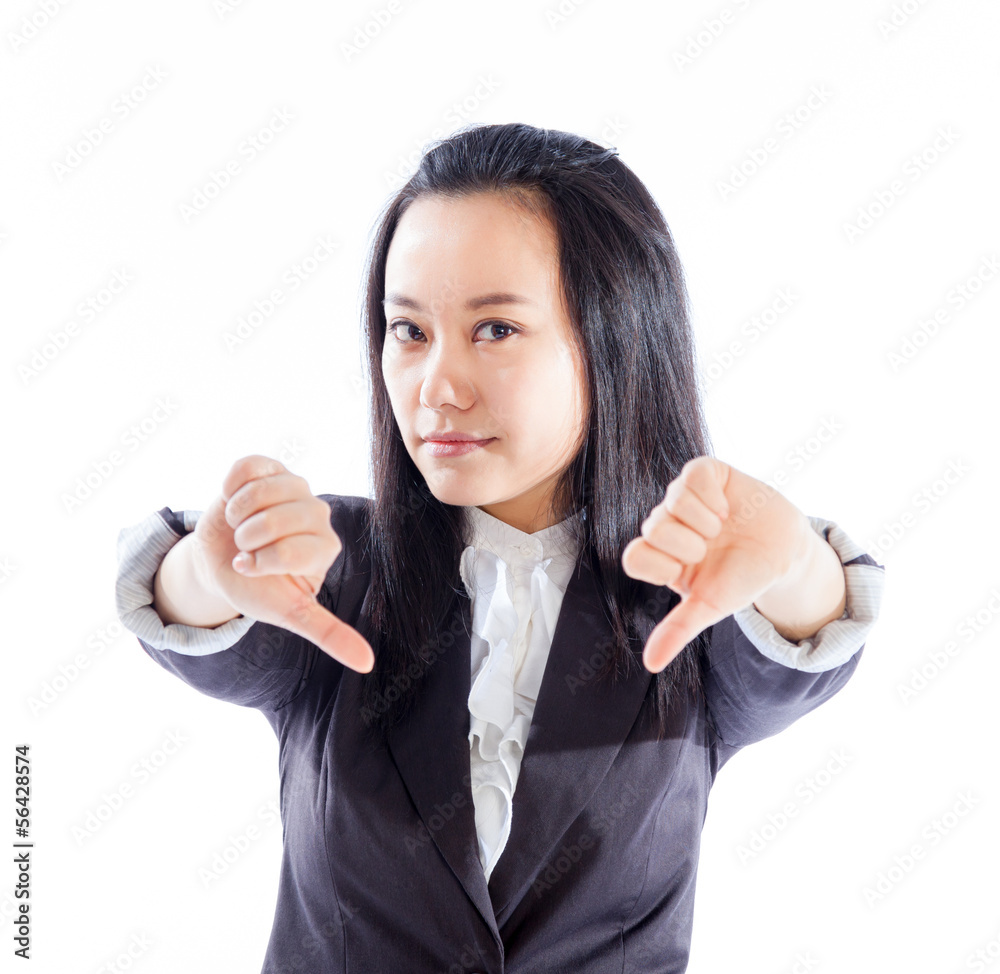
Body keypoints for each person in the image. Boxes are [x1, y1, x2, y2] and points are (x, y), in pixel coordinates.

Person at [115, 122, 885, 974]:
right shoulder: (330, 567)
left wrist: (794, 559)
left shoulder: (684, 594)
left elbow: (802, 641)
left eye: (495, 330)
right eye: (409, 331)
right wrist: (205, 570)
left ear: (615, 335)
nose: (437, 388)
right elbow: (202, 622)